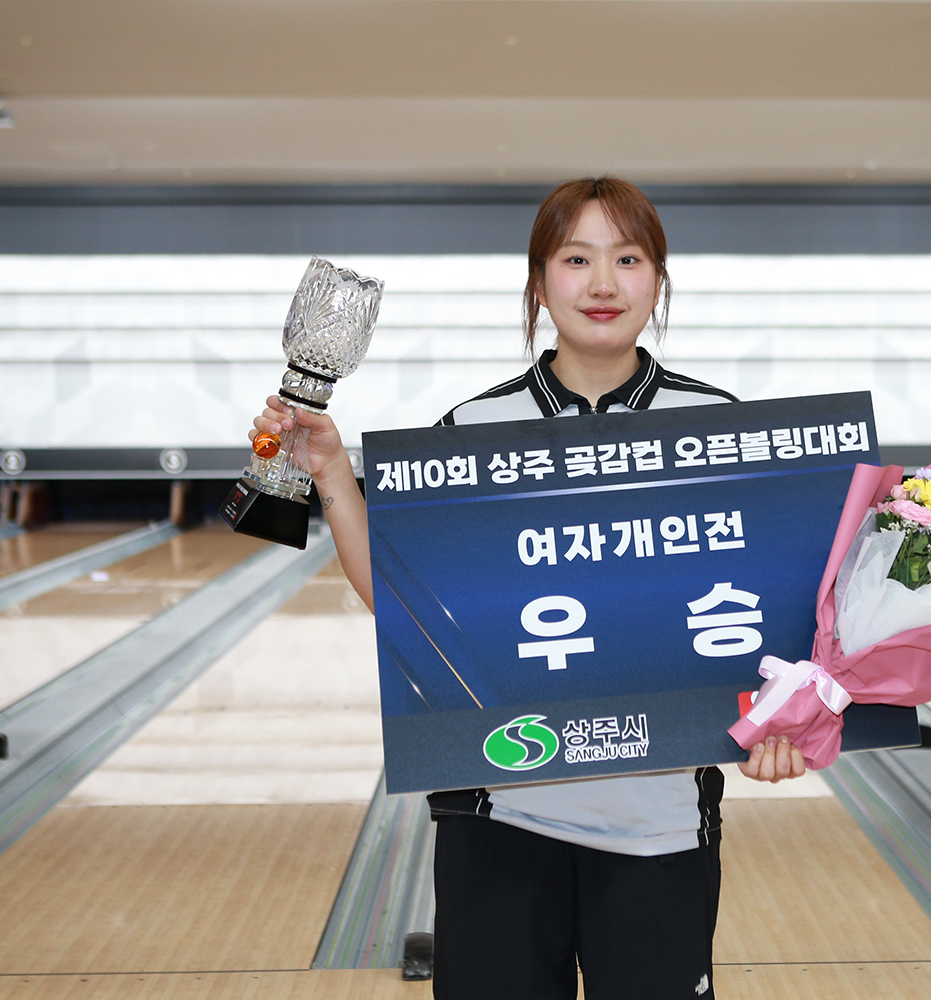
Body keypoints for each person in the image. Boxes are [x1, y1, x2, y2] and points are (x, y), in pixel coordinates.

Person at [251, 177, 805, 999]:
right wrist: (331, 472)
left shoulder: (721, 427)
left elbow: (776, 617)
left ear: (659, 280)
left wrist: (786, 720)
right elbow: (410, 608)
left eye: (629, 259)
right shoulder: (471, 432)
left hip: (658, 827)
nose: (604, 282)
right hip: (496, 819)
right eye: (576, 259)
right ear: (539, 283)